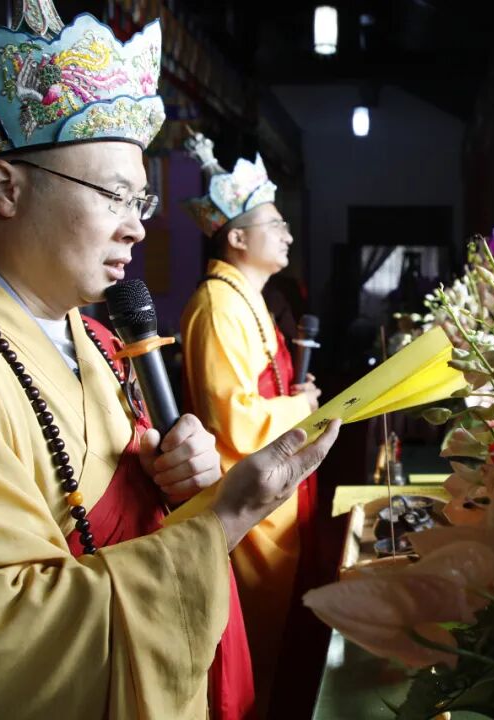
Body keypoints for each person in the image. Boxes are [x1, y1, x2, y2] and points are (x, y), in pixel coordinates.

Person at [0, 5, 339, 719]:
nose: (138, 224)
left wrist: (185, 479)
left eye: (139, 197)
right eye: (114, 193)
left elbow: (115, 499)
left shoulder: (89, 334)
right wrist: (221, 523)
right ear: (4, 188)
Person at [180, 132, 322, 715]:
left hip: (280, 488)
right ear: (237, 237)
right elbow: (232, 421)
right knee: (260, 644)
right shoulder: (216, 305)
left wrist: (298, 396)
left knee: (285, 631)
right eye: (275, 224)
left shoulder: (248, 298)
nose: (287, 234)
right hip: (250, 496)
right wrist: (301, 410)